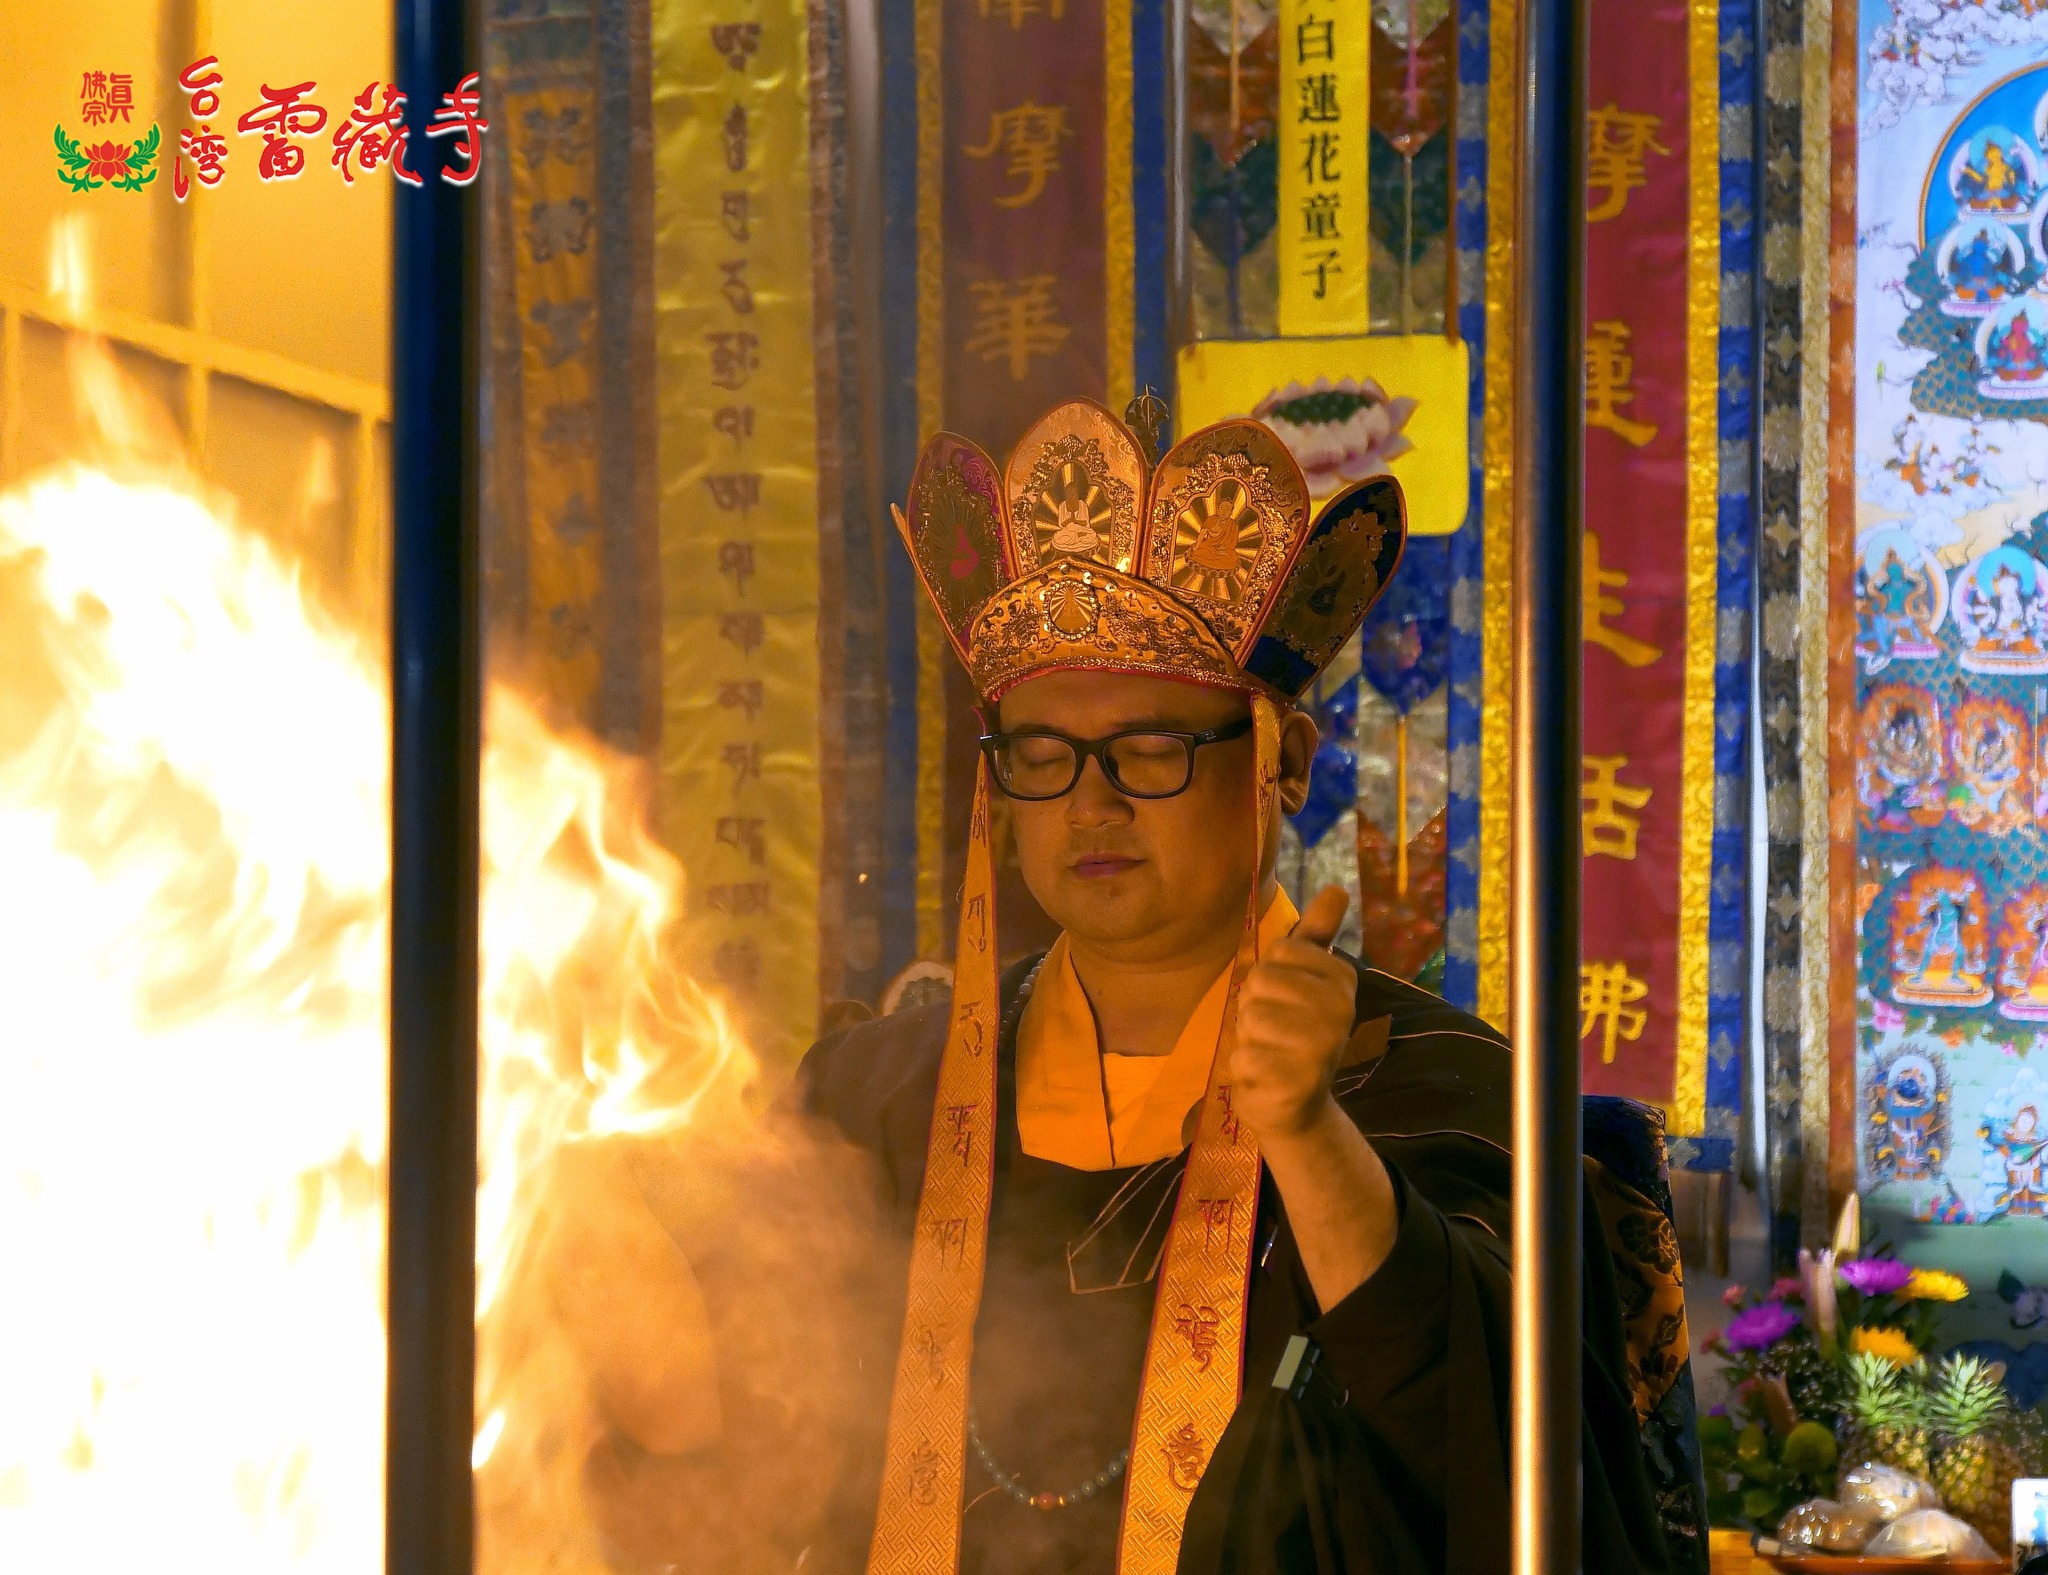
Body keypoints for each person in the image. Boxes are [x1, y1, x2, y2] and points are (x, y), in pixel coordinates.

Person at [571, 399, 1688, 1574]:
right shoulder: (878, 1096)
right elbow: (725, 1443)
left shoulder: (1438, 1089)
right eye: (1039, 756)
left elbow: (1502, 1465)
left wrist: (1306, 1136)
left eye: (1151, 750)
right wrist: (567, 1198)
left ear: (1283, 764)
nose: (1089, 805)